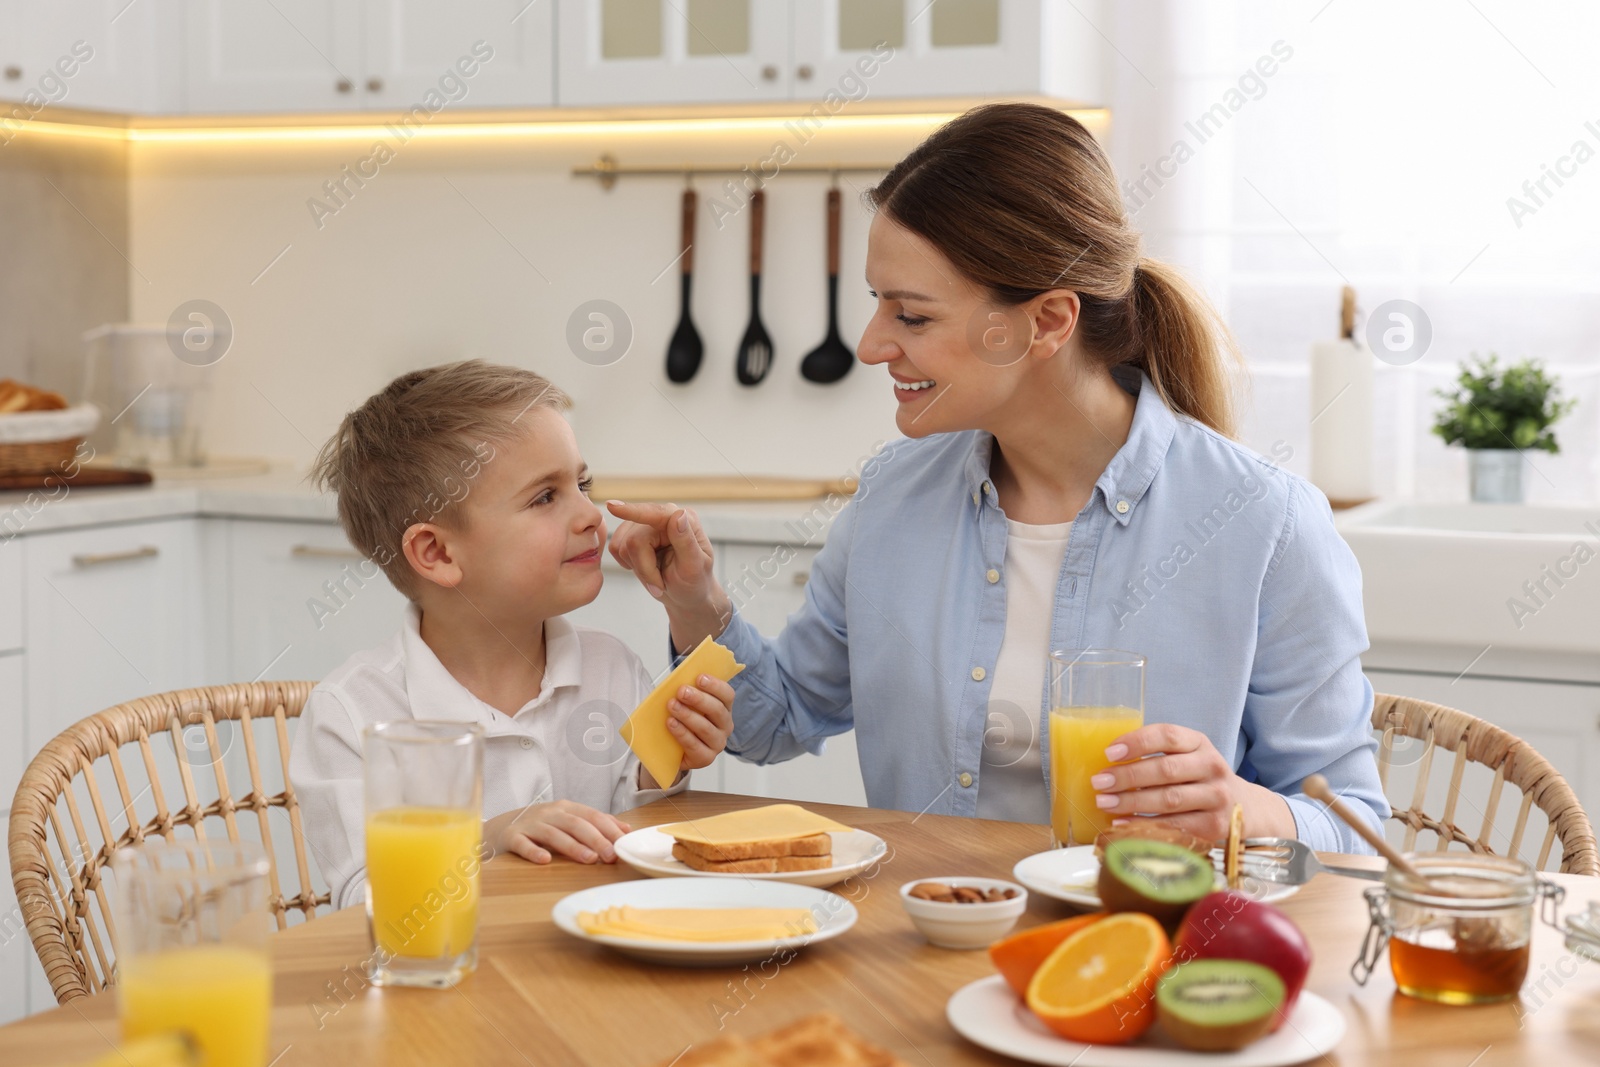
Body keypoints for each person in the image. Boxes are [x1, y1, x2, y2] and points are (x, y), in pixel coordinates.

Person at [607, 103, 1387, 853]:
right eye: (879, 304)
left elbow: (1357, 828)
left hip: (1147, 958)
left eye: (912, 317)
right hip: (922, 946)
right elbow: (775, 721)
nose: (873, 344)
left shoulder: (1262, 524)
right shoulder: (894, 497)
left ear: (1046, 322)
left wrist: (1243, 810)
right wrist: (694, 599)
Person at [290, 361, 735, 909]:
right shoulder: (353, 715)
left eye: (582, 484)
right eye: (545, 497)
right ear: (437, 553)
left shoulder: (613, 668)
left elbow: (635, 854)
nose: (590, 515)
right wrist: (486, 840)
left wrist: (663, 765)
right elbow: (367, 903)